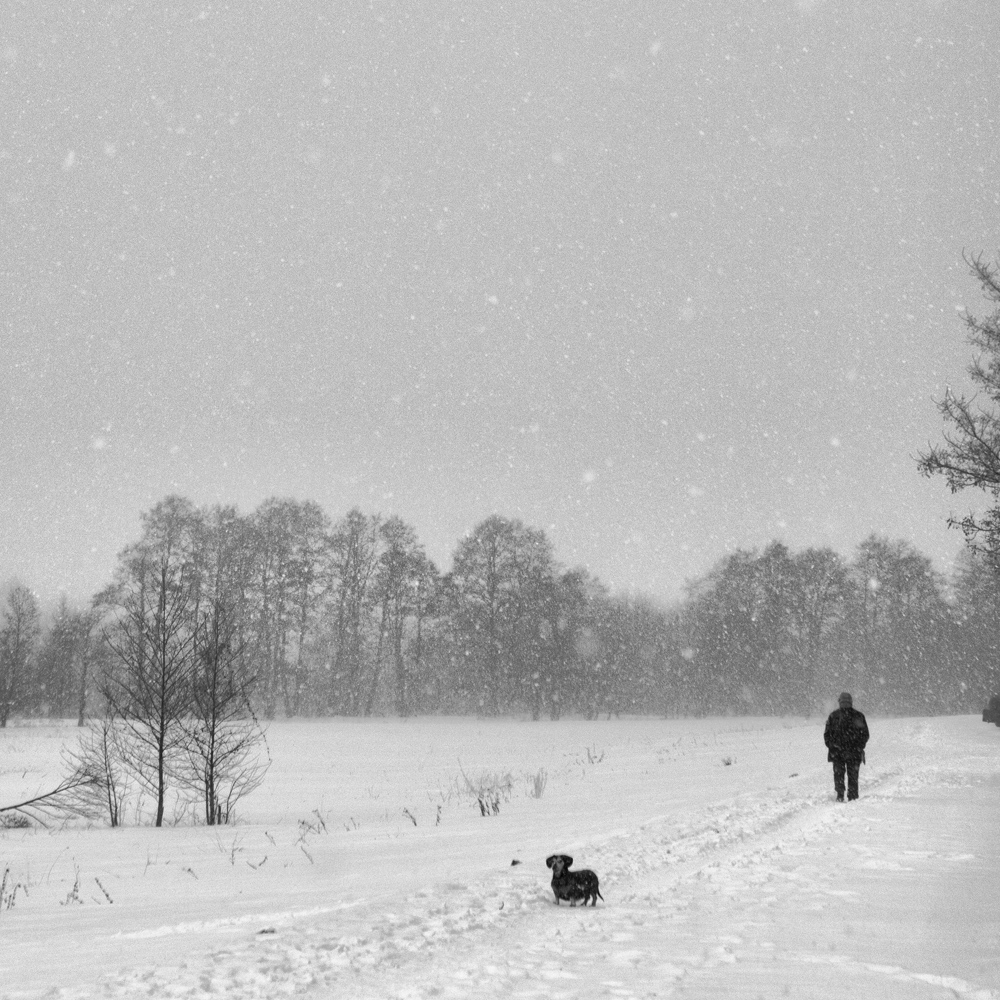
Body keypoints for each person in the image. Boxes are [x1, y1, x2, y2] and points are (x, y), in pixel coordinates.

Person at [823, 692, 869, 801]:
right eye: (844, 701)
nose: (845, 704)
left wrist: (833, 746)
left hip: (839, 752)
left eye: (845, 701)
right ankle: (852, 797)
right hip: (852, 752)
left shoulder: (834, 716)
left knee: (839, 775)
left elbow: (827, 735)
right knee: (852, 776)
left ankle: (840, 796)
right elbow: (865, 735)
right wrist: (858, 747)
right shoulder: (858, 716)